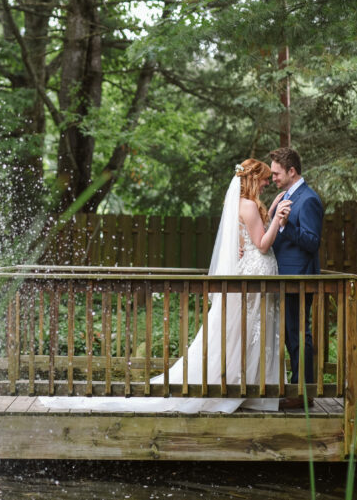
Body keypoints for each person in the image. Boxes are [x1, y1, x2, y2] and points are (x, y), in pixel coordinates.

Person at [38, 159, 290, 413]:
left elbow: (252, 234)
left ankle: (243, 387)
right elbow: (261, 244)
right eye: (264, 179)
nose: (267, 183)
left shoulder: (240, 204)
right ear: (253, 178)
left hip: (252, 276)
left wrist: (271, 212)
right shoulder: (248, 205)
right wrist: (277, 219)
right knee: (242, 333)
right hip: (253, 278)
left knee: (240, 333)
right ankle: (243, 389)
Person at [267, 147, 324, 393]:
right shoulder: (285, 197)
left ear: (292, 171)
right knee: (290, 334)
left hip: (299, 277)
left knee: (299, 334)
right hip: (283, 277)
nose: (273, 178)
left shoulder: (308, 199)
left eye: (276, 173)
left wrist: (285, 226)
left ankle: (304, 391)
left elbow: (312, 241)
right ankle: (295, 386)